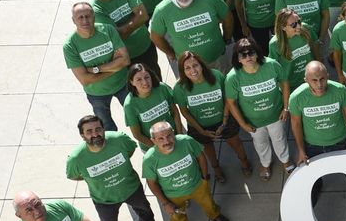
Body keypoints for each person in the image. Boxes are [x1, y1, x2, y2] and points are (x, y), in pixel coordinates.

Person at [66, 115, 169, 221]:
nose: (95, 134)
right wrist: (91, 179)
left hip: (131, 187)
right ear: (82, 135)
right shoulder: (76, 158)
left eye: (98, 129)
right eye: (89, 131)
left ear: (103, 129)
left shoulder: (119, 139)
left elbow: (130, 150)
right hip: (104, 199)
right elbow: (73, 176)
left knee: (144, 208)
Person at [142, 120, 234, 221]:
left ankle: (215, 216)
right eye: (160, 138)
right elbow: (151, 183)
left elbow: (201, 157)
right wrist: (165, 203)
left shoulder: (186, 141)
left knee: (209, 203)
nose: (166, 141)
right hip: (173, 194)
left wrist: (204, 177)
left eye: (168, 136)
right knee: (177, 216)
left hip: (197, 185)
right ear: (154, 140)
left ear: (173, 133)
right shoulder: (150, 159)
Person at [289, 59, 346, 207]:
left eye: (322, 79)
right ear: (306, 80)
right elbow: (296, 124)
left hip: (340, 140)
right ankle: (316, 187)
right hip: (312, 145)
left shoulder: (339, 90)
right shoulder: (297, 97)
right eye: (314, 80)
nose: (319, 84)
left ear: (327, 76)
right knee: (314, 173)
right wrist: (300, 150)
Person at [173, 50, 251, 180]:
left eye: (195, 65)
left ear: (201, 65)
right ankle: (216, 169)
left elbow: (227, 100)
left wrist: (225, 122)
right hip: (199, 125)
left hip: (223, 118)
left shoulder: (216, 76)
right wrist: (201, 131)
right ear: (182, 71)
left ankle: (244, 162)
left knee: (236, 142)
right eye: (187, 68)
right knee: (207, 149)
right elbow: (184, 111)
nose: (193, 70)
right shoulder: (179, 88)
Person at [223, 36, 292, 180]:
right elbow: (231, 102)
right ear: (238, 58)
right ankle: (265, 163)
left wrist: (286, 108)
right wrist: (243, 124)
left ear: (257, 53)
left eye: (251, 53)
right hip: (253, 121)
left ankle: (285, 161)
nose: (248, 57)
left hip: (275, 115)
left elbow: (285, 83)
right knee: (260, 143)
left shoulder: (272, 65)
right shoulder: (233, 77)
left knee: (279, 139)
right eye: (243, 54)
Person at [64, 2, 131, 129]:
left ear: (94, 16)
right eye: (80, 17)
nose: (85, 20)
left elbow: (125, 60)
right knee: (106, 126)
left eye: (88, 16)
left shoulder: (108, 30)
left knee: (136, 116)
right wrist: (115, 67)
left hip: (123, 84)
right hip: (97, 94)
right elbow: (85, 79)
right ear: (73, 20)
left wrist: (96, 70)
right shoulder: (70, 46)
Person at [149, 0, 232, 68]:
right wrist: (171, 53)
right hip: (189, 67)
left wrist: (227, 38)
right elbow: (155, 36)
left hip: (217, 58)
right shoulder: (161, 11)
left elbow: (227, 18)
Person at [90, 0, 159, 83]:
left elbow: (143, 15)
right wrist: (135, 19)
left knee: (155, 76)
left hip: (146, 45)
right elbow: (117, 35)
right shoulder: (97, 10)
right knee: (137, 84)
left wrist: (125, 28)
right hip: (127, 56)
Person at [123, 62, 182, 150]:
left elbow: (175, 112)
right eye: (139, 79)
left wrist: (180, 135)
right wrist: (158, 148)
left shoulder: (162, 88)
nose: (145, 82)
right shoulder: (129, 104)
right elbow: (137, 134)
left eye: (147, 77)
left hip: (173, 139)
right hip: (152, 147)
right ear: (132, 82)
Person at [269, 7, 323, 90]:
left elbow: (315, 47)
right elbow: (274, 68)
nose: (298, 26)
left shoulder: (306, 29)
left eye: (299, 22)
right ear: (283, 27)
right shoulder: (275, 44)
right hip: (291, 85)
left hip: (311, 80)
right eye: (293, 25)